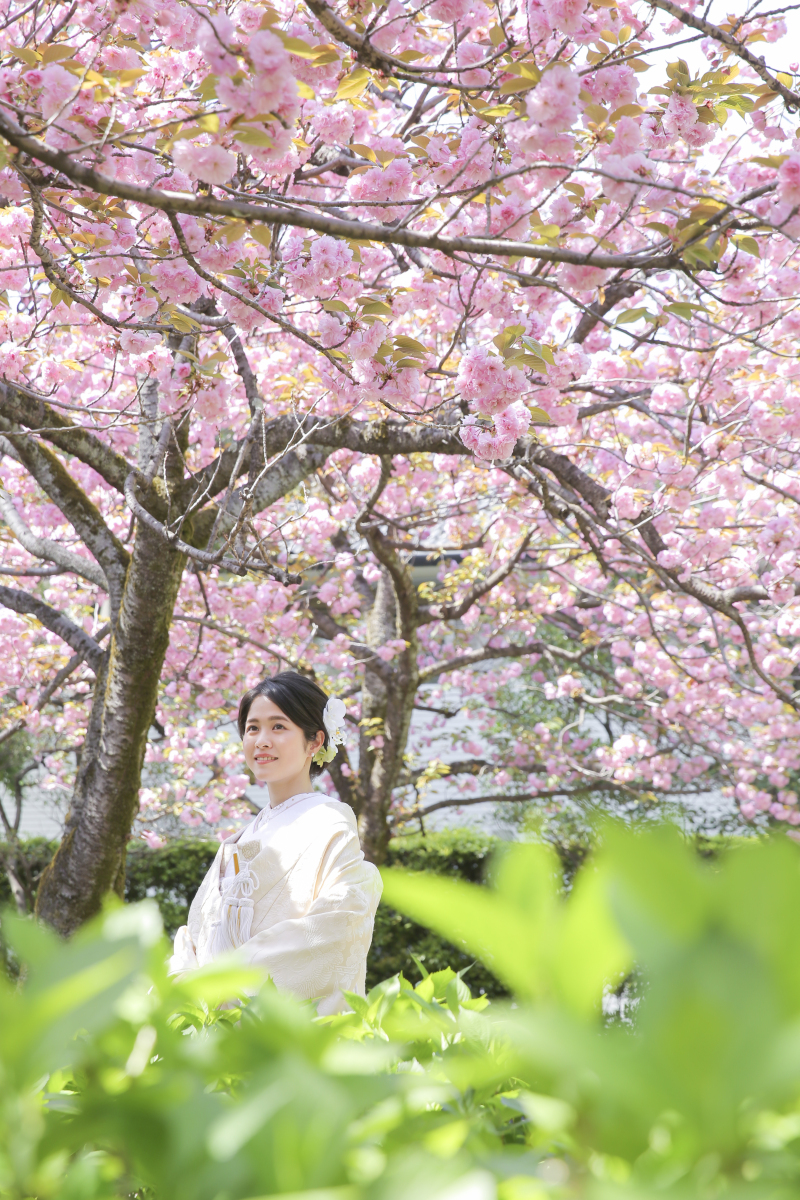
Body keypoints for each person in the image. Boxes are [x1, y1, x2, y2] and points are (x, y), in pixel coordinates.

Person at [169, 671, 382, 1014]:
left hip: (266, 1022)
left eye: (278, 727)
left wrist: (219, 984)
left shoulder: (329, 821)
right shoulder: (238, 841)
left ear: (315, 741)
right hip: (208, 1020)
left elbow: (333, 927)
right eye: (252, 728)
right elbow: (197, 932)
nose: (262, 740)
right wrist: (183, 980)